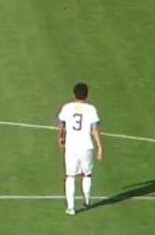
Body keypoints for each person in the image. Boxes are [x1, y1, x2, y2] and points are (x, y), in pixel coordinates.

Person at [58, 82, 103, 216]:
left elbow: (61, 124)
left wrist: (61, 137)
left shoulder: (67, 107)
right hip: (86, 145)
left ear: (73, 94)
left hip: (71, 146)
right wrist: (100, 146)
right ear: (87, 95)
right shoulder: (91, 109)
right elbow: (94, 129)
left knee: (70, 176)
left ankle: (71, 207)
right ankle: (87, 200)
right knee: (87, 174)